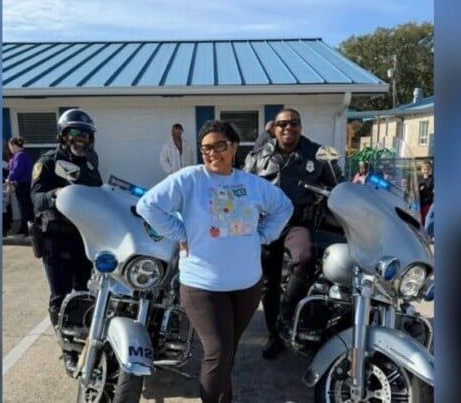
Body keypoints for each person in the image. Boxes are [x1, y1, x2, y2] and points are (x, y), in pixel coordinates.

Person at [137, 120, 292, 403]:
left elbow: (284, 206)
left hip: (246, 286)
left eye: (219, 146)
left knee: (227, 352)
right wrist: (179, 232)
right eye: (206, 148)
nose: (212, 153)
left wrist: (264, 235)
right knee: (218, 351)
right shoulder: (190, 179)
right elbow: (148, 205)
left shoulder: (251, 183)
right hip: (203, 285)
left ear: (234, 147)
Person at [242, 108, 343, 359]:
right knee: (269, 282)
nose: (288, 128)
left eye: (294, 123)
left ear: (301, 126)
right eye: (283, 124)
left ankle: (287, 313)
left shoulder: (319, 154)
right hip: (267, 225)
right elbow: (242, 191)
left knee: (306, 257)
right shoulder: (257, 157)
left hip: (298, 222)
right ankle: (274, 334)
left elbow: (339, 187)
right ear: (274, 129)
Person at [29, 109, 103, 372]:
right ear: (62, 134)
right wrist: (57, 193)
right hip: (55, 238)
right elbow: (36, 200)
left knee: (85, 292)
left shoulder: (91, 161)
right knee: (60, 296)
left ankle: (85, 342)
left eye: (85, 133)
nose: (80, 138)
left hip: (84, 237)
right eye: (74, 132)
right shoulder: (48, 162)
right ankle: (67, 349)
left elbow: (98, 192)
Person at [6, 137, 34, 236]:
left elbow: (16, 170)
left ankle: (25, 229)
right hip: (27, 184)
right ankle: (29, 228)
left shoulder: (19, 156)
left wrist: (9, 179)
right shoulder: (25, 155)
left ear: (13, 145)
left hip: (22, 185)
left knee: (24, 207)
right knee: (26, 206)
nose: (10, 149)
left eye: (10, 146)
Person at [418, 160, 434, 225]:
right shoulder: (420, 179)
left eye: (428, 169)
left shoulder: (432, 179)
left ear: (431, 170)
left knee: (425, 219)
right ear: (422, 170)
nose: (426, 171)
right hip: (419, 203)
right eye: (424, 169)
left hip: (428, 203)